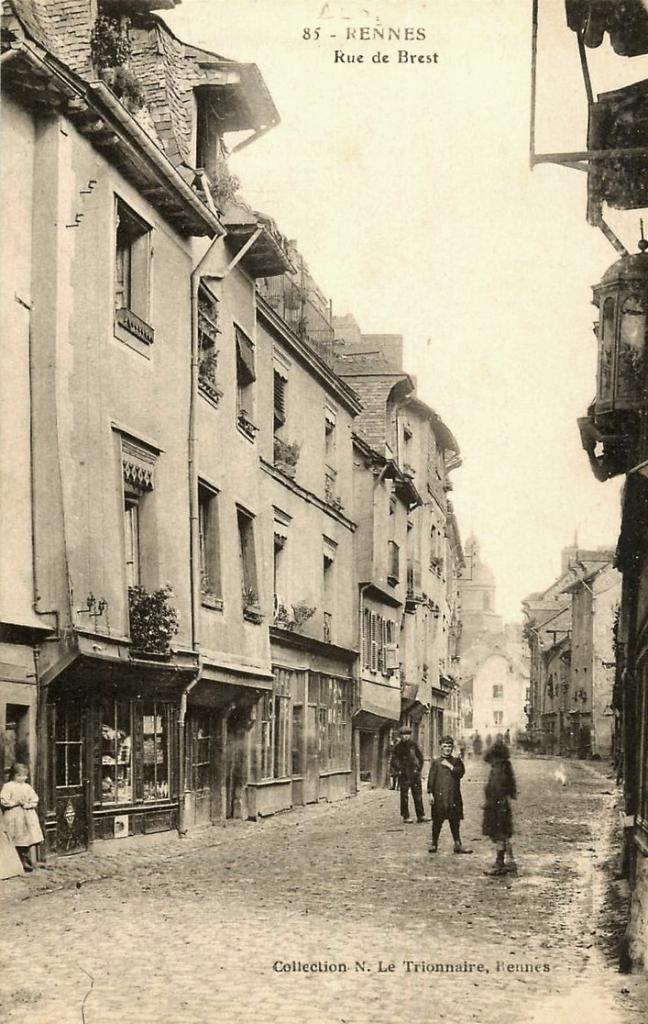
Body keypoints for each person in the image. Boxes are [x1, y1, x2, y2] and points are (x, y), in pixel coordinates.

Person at [427, 736, 472, 854]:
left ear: (452, 748)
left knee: (454, 820)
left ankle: (457, 844)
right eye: (445, 746)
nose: (447, 749)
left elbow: (460, 774)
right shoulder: (436, 762)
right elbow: (431, 779)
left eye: (449, 746)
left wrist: (450, 766)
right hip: (439, 796)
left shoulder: (457, 761)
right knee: (437, 821)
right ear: (441, 747)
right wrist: (430, 793)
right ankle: (434, 843)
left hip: (453, 796)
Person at [482, 738, 517, 876]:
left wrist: (491, 803)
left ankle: (499, 864)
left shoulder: (497, 769)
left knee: (499, 835)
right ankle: (511, 862)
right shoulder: (505, 766)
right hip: (502, 804)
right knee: (504, 834)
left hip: (496, 806)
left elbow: (495, 788)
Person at [0, 763, 44, 873]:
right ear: (13, 775)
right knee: (16, 838)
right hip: (14, 815)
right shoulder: (8, 786)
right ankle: (17, 863)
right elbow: (3, 800)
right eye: (19, 776)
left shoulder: (27, 787)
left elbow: (34, 799)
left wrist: (29, 804)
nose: (22, 778)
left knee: (29, 837)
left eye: (25, 776)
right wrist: (15, 802)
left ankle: (30, 861)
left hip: (27, 815)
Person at [389, 726, 426, 823]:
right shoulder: (398, 747)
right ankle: (406, 816)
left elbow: (420, 757)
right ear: (401, 736)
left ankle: (421, 816)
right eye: (403, 735)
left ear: (410, 735)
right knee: (404, 796)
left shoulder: (413, 745)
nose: (405, 737)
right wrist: (399, 769)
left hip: (414, 773)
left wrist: (419, 769)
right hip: (404, 775)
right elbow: (394, 760)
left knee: (418, 795)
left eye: (407, 735)